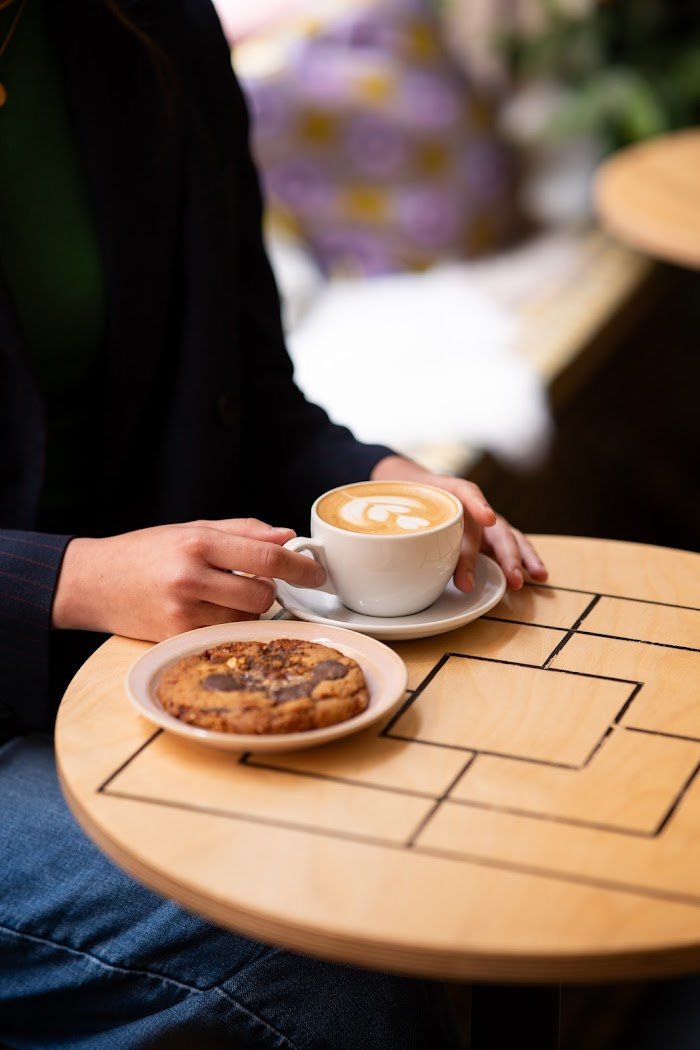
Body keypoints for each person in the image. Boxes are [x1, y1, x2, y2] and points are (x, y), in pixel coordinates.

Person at [0, 1, 547, 1046]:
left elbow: (247, 393)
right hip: (58, 689)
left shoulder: (148, 28)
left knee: (482, 829)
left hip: (146, 675)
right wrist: (68, 582)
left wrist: (379, 479)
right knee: (330, 962)